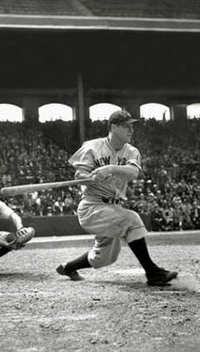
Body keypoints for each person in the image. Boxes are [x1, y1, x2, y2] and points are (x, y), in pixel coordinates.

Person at [56, 110, 178, 286]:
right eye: (126, 126)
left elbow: (134, 172)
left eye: (132, 126)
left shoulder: (131, 151)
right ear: (114, 127)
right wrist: (88, 177)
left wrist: (109, 169)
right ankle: (153, 272)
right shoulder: (92, 147)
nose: (131, 130)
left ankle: (67, 267)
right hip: (93, 206)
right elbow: (79, 175)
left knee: (104, 258)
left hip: (114, 208)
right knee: (132, 220)